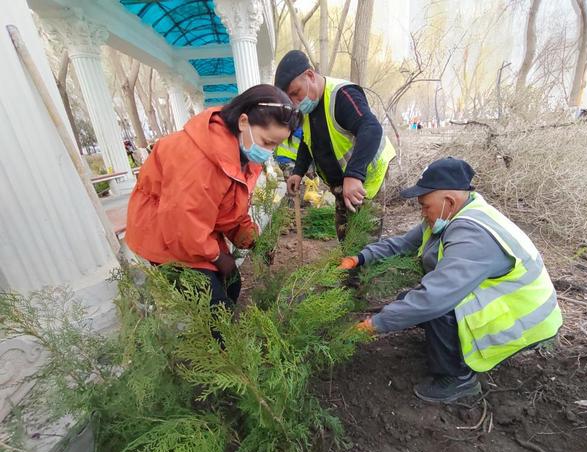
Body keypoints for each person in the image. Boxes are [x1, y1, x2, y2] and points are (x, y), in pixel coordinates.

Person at [339, 157, 563, 403]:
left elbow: (434, 298)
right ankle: (450, 346)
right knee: (412, 302)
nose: (422, 213)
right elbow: (403, 243)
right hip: (505, 303)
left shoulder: (472, 234)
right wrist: (359, 258)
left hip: (522, 321)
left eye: (424, 205)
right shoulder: (449, 215)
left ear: (448, 201)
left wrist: (375, 325)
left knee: (435, 308)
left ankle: (457, 380)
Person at [126, 84, 301, 310]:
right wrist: (219, 257)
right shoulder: (198, 160)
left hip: (195, 230)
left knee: (233, 284)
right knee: (215, 304)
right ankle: (214, 341)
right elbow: (184, 224)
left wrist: (254, 241)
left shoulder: (243, 155)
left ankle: (220, 334)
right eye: (267, 142)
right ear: (244, 122)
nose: (268, 151)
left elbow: (229, 211)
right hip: (164, 232)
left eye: (275, 145)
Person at [274, 50, 396, 240]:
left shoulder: (342, 96)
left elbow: (371, 128)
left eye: (296, 93)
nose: (295, 103)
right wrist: (298, 171)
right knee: (345, 236)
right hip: (342, 184)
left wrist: (354, 174)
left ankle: (365, 267)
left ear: (310, 75)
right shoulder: (309, 108)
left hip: (365, 181)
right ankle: (349, 267)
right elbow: (308, 143)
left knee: (364, 243)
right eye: (290, 99)